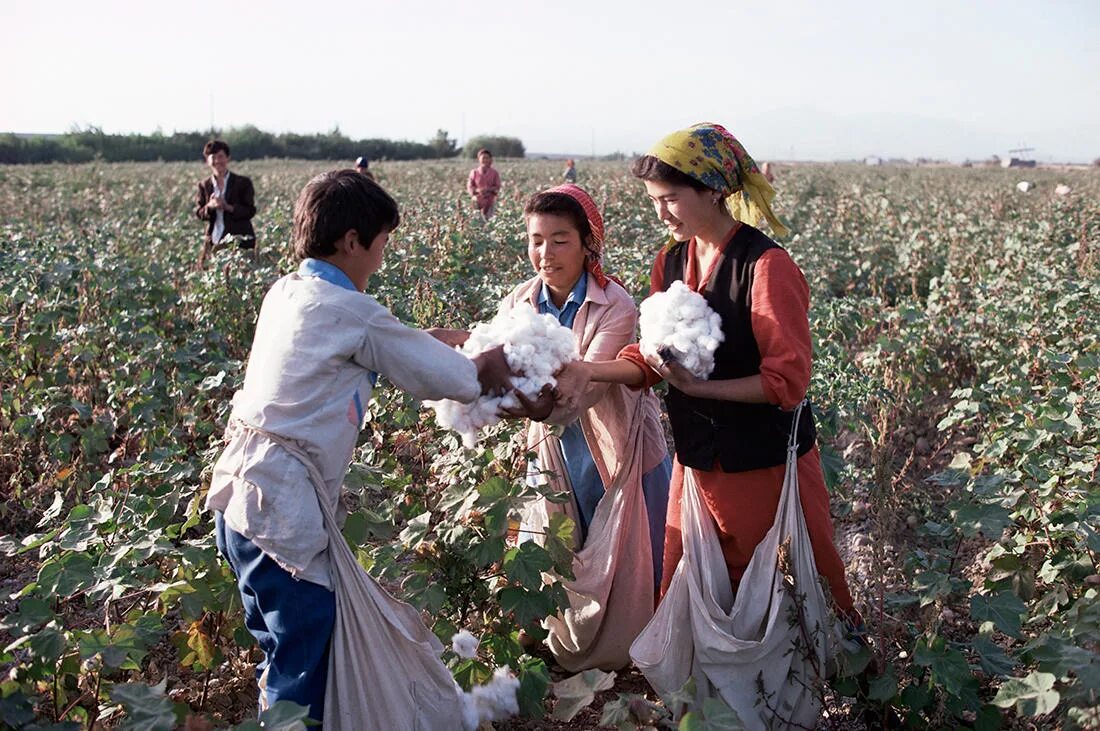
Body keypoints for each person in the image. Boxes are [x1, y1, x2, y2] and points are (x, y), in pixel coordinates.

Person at [205, 170, 510, 724]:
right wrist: (503, 365)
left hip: (240, 500)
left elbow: (388, 345)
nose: (382, 257)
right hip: (279, 510)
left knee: (280, 651)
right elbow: (455, 377)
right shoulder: (350, 311)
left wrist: (438, 343)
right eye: (381, 244)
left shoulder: (290, 292)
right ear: (351, 241)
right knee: (300, 656)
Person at [555, 123, 858, 623]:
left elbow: (787, 382)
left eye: (671, 198)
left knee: (792, 592)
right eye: (653, 199)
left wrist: (701, 388)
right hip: (697, 461)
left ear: (714, 190)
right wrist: (590, 370)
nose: (661, 212)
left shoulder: (766, 266)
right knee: (691, 586)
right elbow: (654, 358)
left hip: (763, 466)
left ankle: (835, 691)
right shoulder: (671, 262)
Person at [497, 184, 671, 671]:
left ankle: (631, 649)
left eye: (560, 240)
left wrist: (515, 389)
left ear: (587, 244)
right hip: (550, 442)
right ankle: (565, 636)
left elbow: (587, 390)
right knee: (559, 538)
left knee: (624, 546)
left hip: (613, 443)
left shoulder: (616, 304)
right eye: (536, 239)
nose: (544, 253)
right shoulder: (519, 303)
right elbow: (499, 362)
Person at [195, 140, 257, 267]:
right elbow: (200, 213)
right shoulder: (204, 185)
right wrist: (210, 206)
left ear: (228, 158)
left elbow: (250, 211)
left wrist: (228, 207)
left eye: (220, 156)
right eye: (213, 157)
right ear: (207, 160)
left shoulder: (243, 183)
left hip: (239, 241)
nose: (217, 161)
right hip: (214, 239)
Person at [467, 148, 501, 219]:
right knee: (477, 221)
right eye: (483, 158)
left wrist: (488, 189)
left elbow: (497, 186)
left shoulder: (494, 173)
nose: (485, 160)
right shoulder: (474, 172)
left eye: (487, 158)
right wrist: (477, 190)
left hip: (490, 201)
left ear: (490, 159)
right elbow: (470, 186)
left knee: (489, 221)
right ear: (479, 159)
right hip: (477, 201)